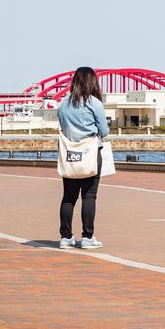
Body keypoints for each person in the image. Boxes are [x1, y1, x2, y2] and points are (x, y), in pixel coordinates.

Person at [57, 66, 109, 249]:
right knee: (89, 196)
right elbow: (104, 131)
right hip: (90, 153)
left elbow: (62, 126)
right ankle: (87, 237)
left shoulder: (63, 103)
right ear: (92, 82)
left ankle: (65, 237)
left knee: (69, 196)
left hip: (70, 153)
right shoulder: (94, 103)